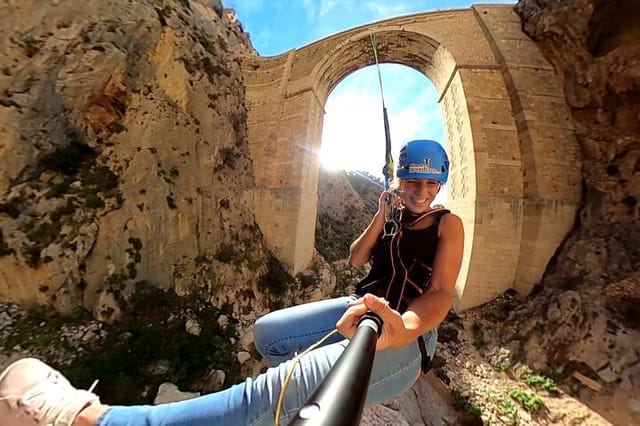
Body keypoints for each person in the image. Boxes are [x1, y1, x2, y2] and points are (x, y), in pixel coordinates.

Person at [0, 139, 464, 426]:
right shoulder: (394, 213)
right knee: (267, 333)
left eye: (429, 186)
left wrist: (403, 327)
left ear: (439, 186)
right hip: (360, 307)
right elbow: (355, 257)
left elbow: (441, 293)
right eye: (411, 183)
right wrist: (381, 215)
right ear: (399, 180)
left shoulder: (449, 225)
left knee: (272, 390)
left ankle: (87, 420)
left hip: (405, 336)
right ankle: (275, 410)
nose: (420, 193)